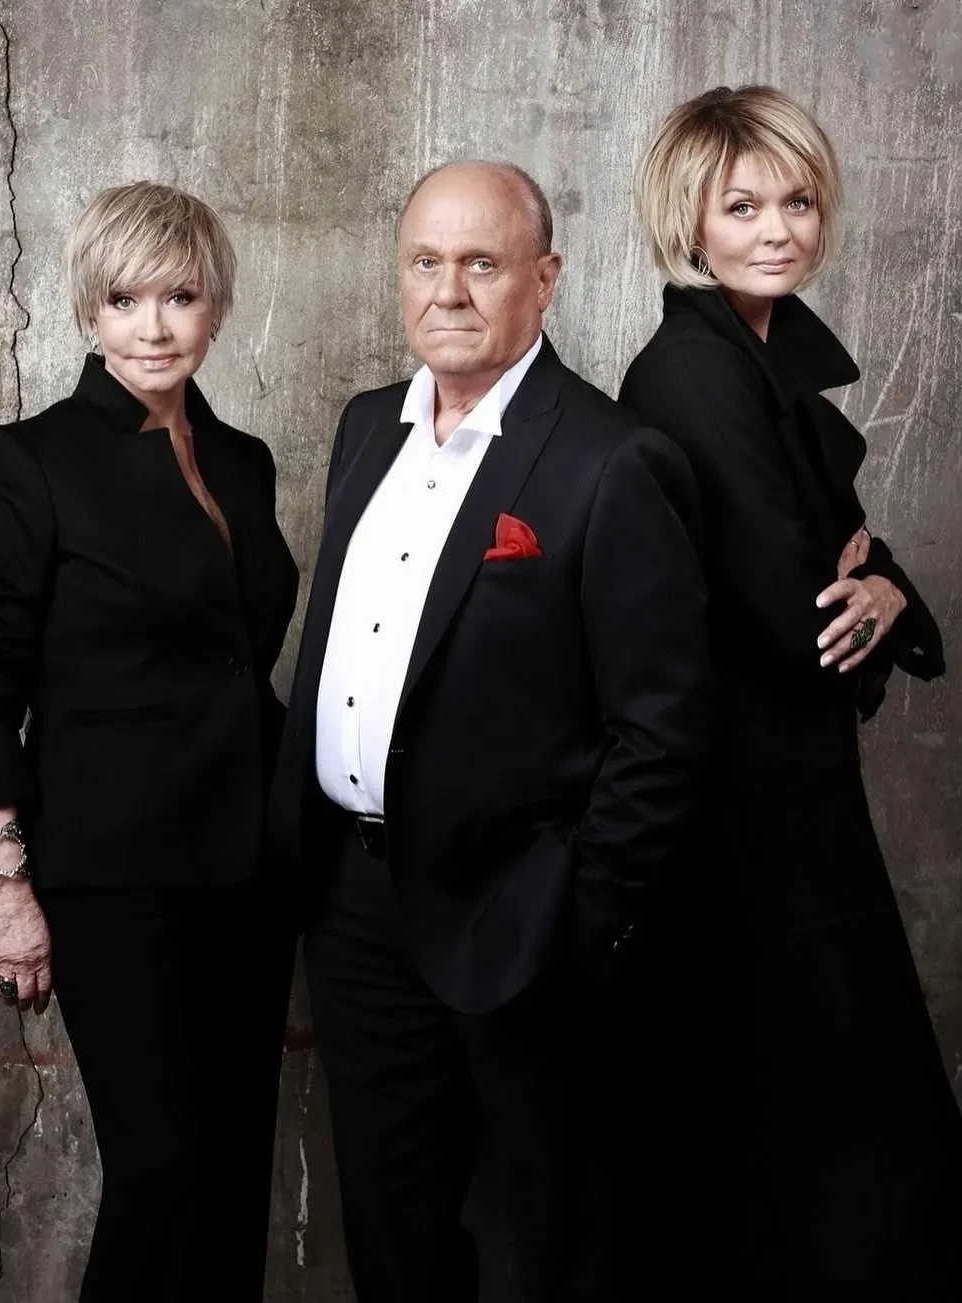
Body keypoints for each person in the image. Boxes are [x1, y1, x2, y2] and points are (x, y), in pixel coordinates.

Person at [268, 160, 710, 1301]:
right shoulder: (366, 428)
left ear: (544, 279)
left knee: (569, 1241)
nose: (449, 291)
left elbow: (662, 730)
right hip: (356, 911)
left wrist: (582, 911)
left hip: (523, 919)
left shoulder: (611, 458)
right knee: (395, 1238)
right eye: (426, 262)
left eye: (481, 262)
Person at [619, 85, 962, 1300]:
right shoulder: (695, 373)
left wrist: (879, 583)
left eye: (797, 201)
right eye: (742, 207)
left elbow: (842, 585)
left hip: (786, 793)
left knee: (831, 1120)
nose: (778, 229)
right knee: (807, 1125)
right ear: (690, 219)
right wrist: (863, 581)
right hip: (739, 811)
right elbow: (801, 616)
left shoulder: (756, 359)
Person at [0, 181, 299, 1302]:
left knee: (234, 1172)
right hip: (113, 874)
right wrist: (6, 882)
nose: (153, 326)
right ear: (90, 311)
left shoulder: (243, 460)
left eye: (180, 297)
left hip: (249, 865)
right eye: (125, 299)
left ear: (216, 307)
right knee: (164, 1173)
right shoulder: (28, 460)